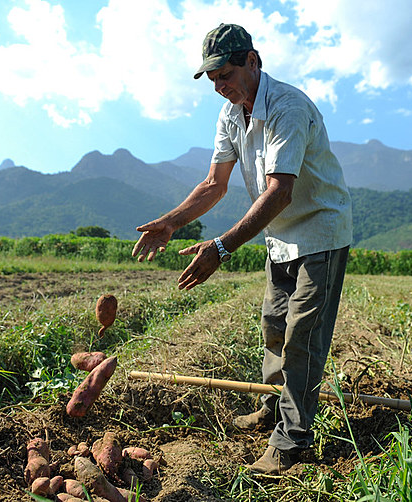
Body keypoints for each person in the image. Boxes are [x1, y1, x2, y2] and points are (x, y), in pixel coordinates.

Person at [132, 23, 353, 475]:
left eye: (225, 74)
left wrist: (220, 248)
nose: (219, 86)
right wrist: (172, 222)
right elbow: (215, 183)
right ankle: (276, 405)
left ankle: (293, 440)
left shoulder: (288, 107)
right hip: (280, 236)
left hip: (320, 233)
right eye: (212, 79)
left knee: (302, 338)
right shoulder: (232, 114)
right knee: (274, 326)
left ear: (252, 61)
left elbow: (279, 193)